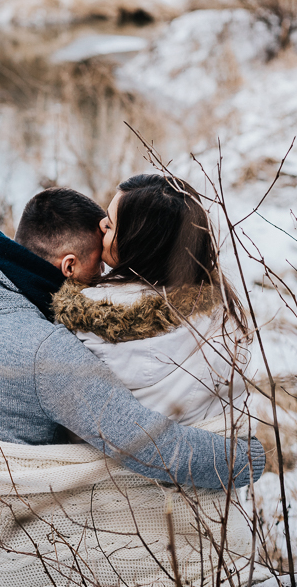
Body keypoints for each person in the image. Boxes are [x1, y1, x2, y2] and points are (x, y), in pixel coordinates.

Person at [0, 185, 265, 587]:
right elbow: (150, 446)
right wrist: (248, 458)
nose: (103, 280)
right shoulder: (46, 352)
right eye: (98, 269)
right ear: (68, 267)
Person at [53, 174, 250, 424]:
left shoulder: (85, 314)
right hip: (210, 455)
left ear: (137, 244)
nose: (102, 224)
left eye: (111, 225)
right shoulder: (223, 313)